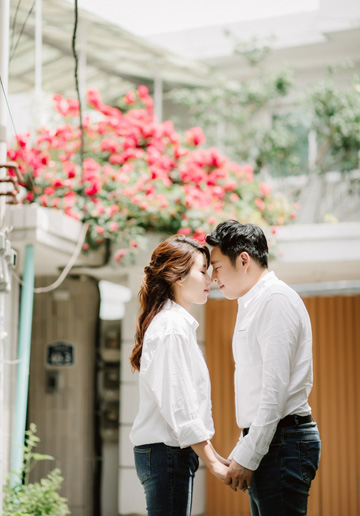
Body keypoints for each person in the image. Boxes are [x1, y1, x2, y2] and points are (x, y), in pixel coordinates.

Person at [206, 220, 321, 516]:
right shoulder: (253, 302)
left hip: (283, 443)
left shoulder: (274, 301)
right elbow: (257, 390)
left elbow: (274, 390)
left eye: (217, 266)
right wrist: (245, 448)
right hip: (272, 441)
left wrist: (249, 454)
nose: (213, 276)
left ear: (243, 260)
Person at [129, 235, 229, 516]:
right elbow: (180, 405)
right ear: (178, 277)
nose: (209, 278)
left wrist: (213, 454)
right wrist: (212, 461)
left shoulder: (174, 323)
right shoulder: (171, 326)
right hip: (166, 453)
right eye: (202, 270)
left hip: (167, 453)